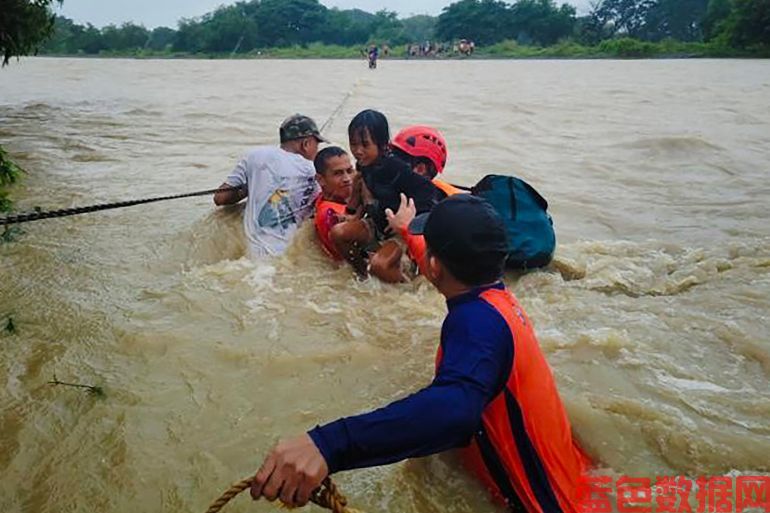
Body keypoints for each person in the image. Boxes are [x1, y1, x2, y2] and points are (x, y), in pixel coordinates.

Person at [249, 194, 590, 512]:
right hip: (577, 483)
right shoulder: (496, 301)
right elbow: (437, 266)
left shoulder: (477, 322)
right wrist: (404, 230)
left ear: (436, 264)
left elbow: (455, 411)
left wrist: (329, 443)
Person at [330, 109, 444, 282]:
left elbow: (429, 194)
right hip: (377, 223)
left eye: (365, 145)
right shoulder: (364, 164)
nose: (358, 151)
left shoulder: (397, 169)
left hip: (400, 230)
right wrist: (354, 215)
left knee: (380, 265)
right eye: (353, 144)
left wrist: (406, 223)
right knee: (338, 233)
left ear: (383, 145)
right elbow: (363, 191)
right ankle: (362, 275)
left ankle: (405, 289)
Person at [213, 114, 325, 256]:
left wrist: (251, 187)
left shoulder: (254, 156)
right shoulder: (316, 171)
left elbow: (220, 198)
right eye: (317, 144)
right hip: (288, 256)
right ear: (306, 144)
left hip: (252, 253)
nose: (317, 150)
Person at [313, 146, 356, 261]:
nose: (347, 179)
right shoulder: (330, 214)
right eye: (338, 173)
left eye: (349, 171)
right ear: (321, 180)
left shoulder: (326, 199)